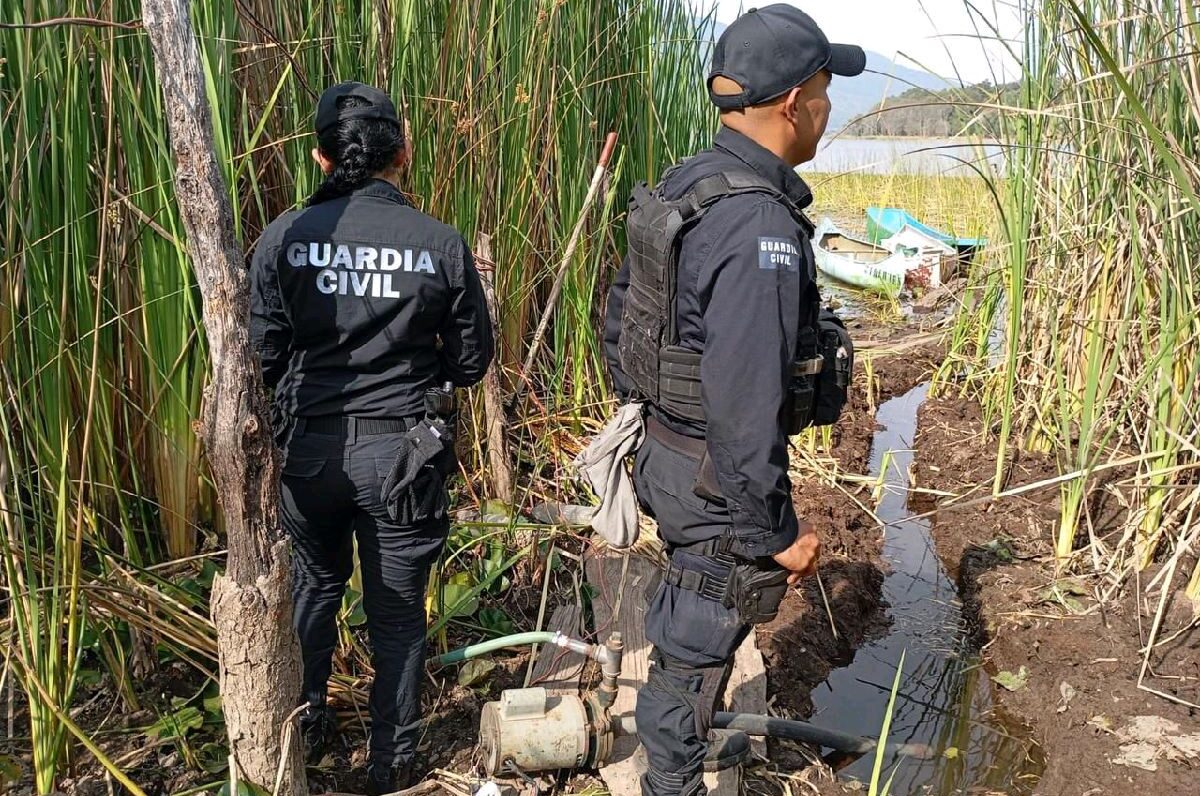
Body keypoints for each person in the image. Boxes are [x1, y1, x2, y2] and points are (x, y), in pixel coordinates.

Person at [603, 7, 863, 795]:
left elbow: (620, 315)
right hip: (716, 474)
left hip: (673, 451)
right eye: (824, 89)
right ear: (791, 103)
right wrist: (775, 531)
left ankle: (689, 743)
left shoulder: (691, 183)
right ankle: (670, 782)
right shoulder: (757, 225)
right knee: (695, 644)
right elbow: (746, 399)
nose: (829, 105)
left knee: (696, 618)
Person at [249, 81, 494, 794]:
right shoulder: (438, 241)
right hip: (400, 456)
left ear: (320, 157)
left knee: (315, 586)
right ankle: (393, 765)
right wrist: (419, 374)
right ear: (403, 154)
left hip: (310, 452)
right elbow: (472, 361)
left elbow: (260, 359)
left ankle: (303, 730)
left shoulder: (282, 238)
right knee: (395, 616)